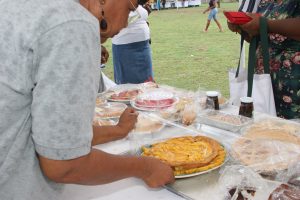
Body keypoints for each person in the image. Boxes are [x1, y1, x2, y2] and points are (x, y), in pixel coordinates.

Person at [0, 0, 174, 199]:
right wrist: (145, 168)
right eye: (130, 8)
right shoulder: (73, 23)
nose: (126, 23)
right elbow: (64, 165)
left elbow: (51, 131)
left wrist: (116, 131)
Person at [228, 0, 300, 119]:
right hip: (264, 80)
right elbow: (261, 38)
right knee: (263, 127)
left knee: (290, 132)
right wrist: (242, 28)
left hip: (292, 84)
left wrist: (266, 24)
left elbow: (267, 25)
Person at [112, 3, 154, 84]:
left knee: (147, 84)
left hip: (143, 45)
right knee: (128, 89)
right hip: (125, 46)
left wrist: (144, 10)